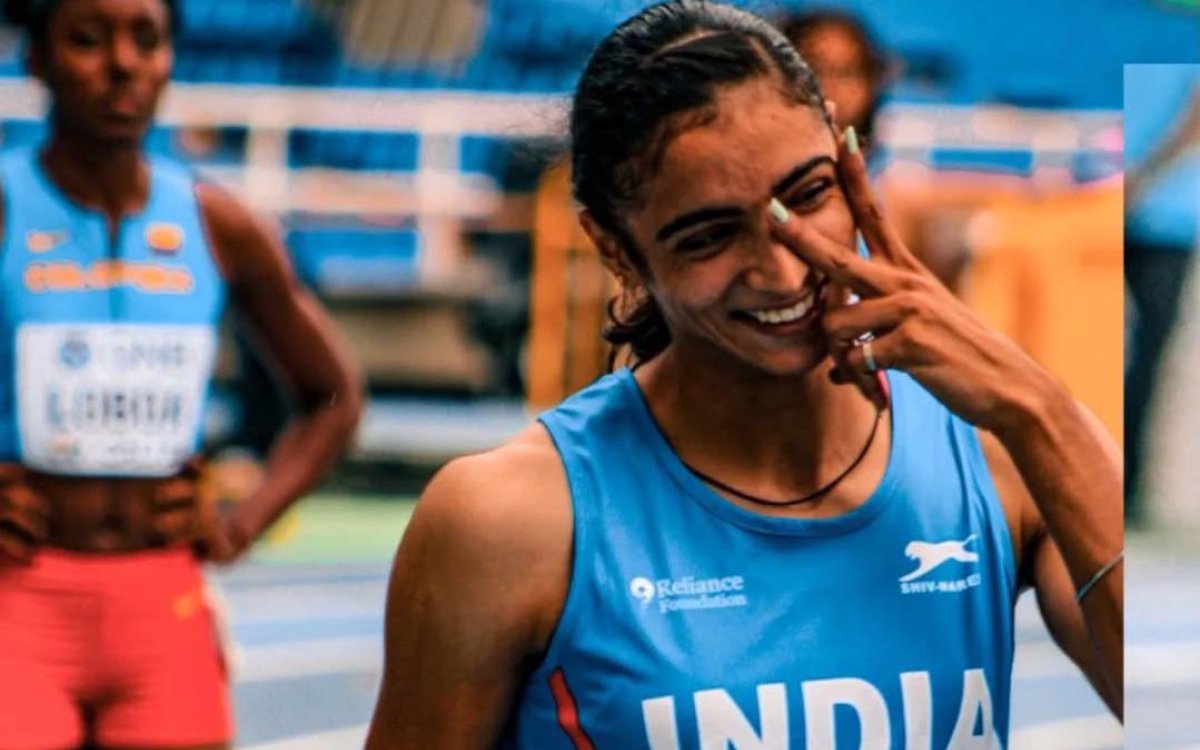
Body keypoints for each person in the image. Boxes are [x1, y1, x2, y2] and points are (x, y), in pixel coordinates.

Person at [366, 3, 1121, 748]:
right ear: (616, 247)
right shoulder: (512, 518)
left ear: (846, 153)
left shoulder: (1004, 456)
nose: (783, 270)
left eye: (808, 195)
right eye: (710, 236)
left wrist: (1036, 406)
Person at [0, 0, 363, 748]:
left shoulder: (215, 223)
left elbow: (334, 398)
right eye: (87, 40)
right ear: (37, 58)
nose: (122, 64)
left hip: (161, 602)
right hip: (20, 593)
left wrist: (240, 524)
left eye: (147, 40)